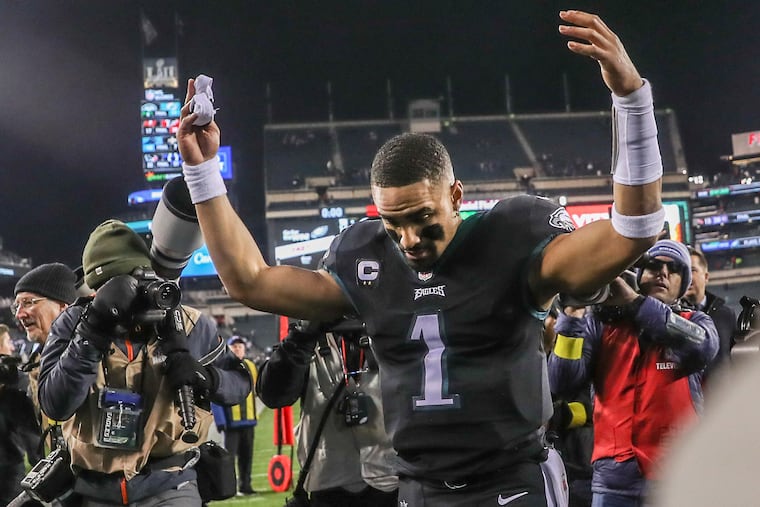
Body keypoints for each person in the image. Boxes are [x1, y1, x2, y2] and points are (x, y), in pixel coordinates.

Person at [178, 10, 666, 505]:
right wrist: (202, 172)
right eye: (394, 226)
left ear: (457, 196)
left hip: (511, 481)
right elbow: (250, 282)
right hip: (417, 486)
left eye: (423, 220)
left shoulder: (512, 239)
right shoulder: (366, 260)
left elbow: (635, 230)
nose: (409, 240)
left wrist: (630, 98)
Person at [37, 219, 252, 506]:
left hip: (170, 483)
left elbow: (240, 383)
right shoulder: (74, 324)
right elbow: (56, 404)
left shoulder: (188, 324)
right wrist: (91, 334)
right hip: (92, 488)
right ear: (94, 292)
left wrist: (206, 377)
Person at [547, 239, 719, 506]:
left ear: (682, 283)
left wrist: (634, 302)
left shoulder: (695, 321)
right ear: (639, 275)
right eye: (653, 266)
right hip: (614, 482)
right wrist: (572, 314)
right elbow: (562, 382)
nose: (663, 273)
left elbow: (703, 347)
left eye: (673, 268)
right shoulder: (598, 325)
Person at [257, 320, 398, 507]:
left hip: (393, 479)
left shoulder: (391, 325)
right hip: (329, 484)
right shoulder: (310, 333)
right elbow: (274, 396)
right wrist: (301, 338)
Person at [0, 323, 42, 506]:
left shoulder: (9, 386)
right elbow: (32, 428)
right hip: (8, 475)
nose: (11, 347)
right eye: (7, 341)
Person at [211, 336, 259, 496]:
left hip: (249, 421)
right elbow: (215, 395)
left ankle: (246, 485)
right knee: (229, 458)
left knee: (247, 456)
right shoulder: (223, 367)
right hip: (232, 422)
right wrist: (221, 420)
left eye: (240, 346)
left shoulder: (251, 366)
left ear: (245, 349)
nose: (238, 349)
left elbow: (258, 390)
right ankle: (230, 488)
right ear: (229, 349)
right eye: (234, 346)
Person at [683, 245, 736, 379]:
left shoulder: (726, 314)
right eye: (682, 270)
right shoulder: (671, 315)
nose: (687, 276)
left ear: (706, 276)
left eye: (692, 270)